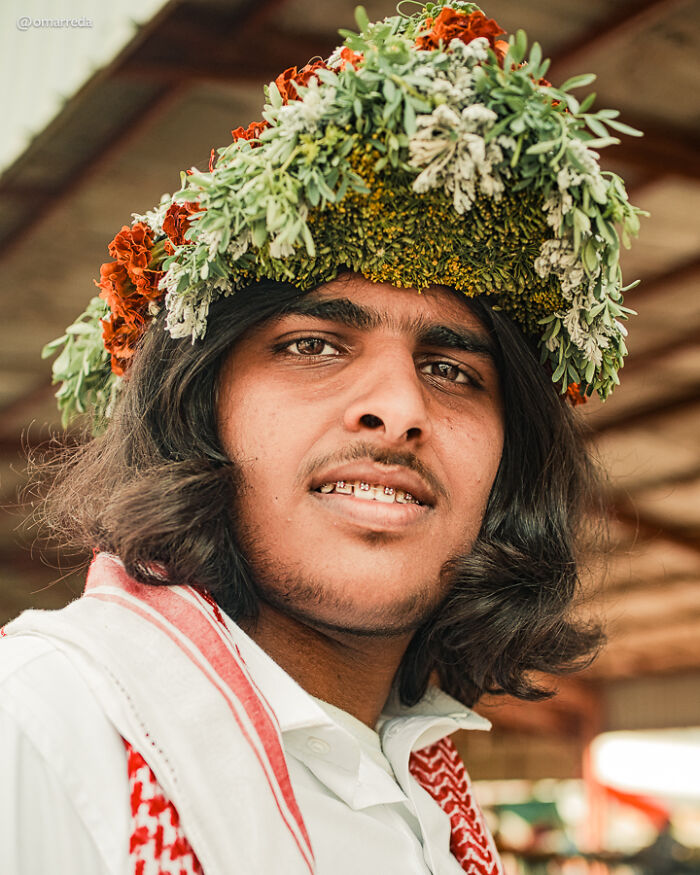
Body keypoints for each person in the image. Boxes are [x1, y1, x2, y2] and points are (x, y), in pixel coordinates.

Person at [0, 3, 643, 873]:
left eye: (454, 369)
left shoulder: (430, 802)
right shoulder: (41, 727)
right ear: (199, 409)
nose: (398, 407)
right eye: (313, 345)